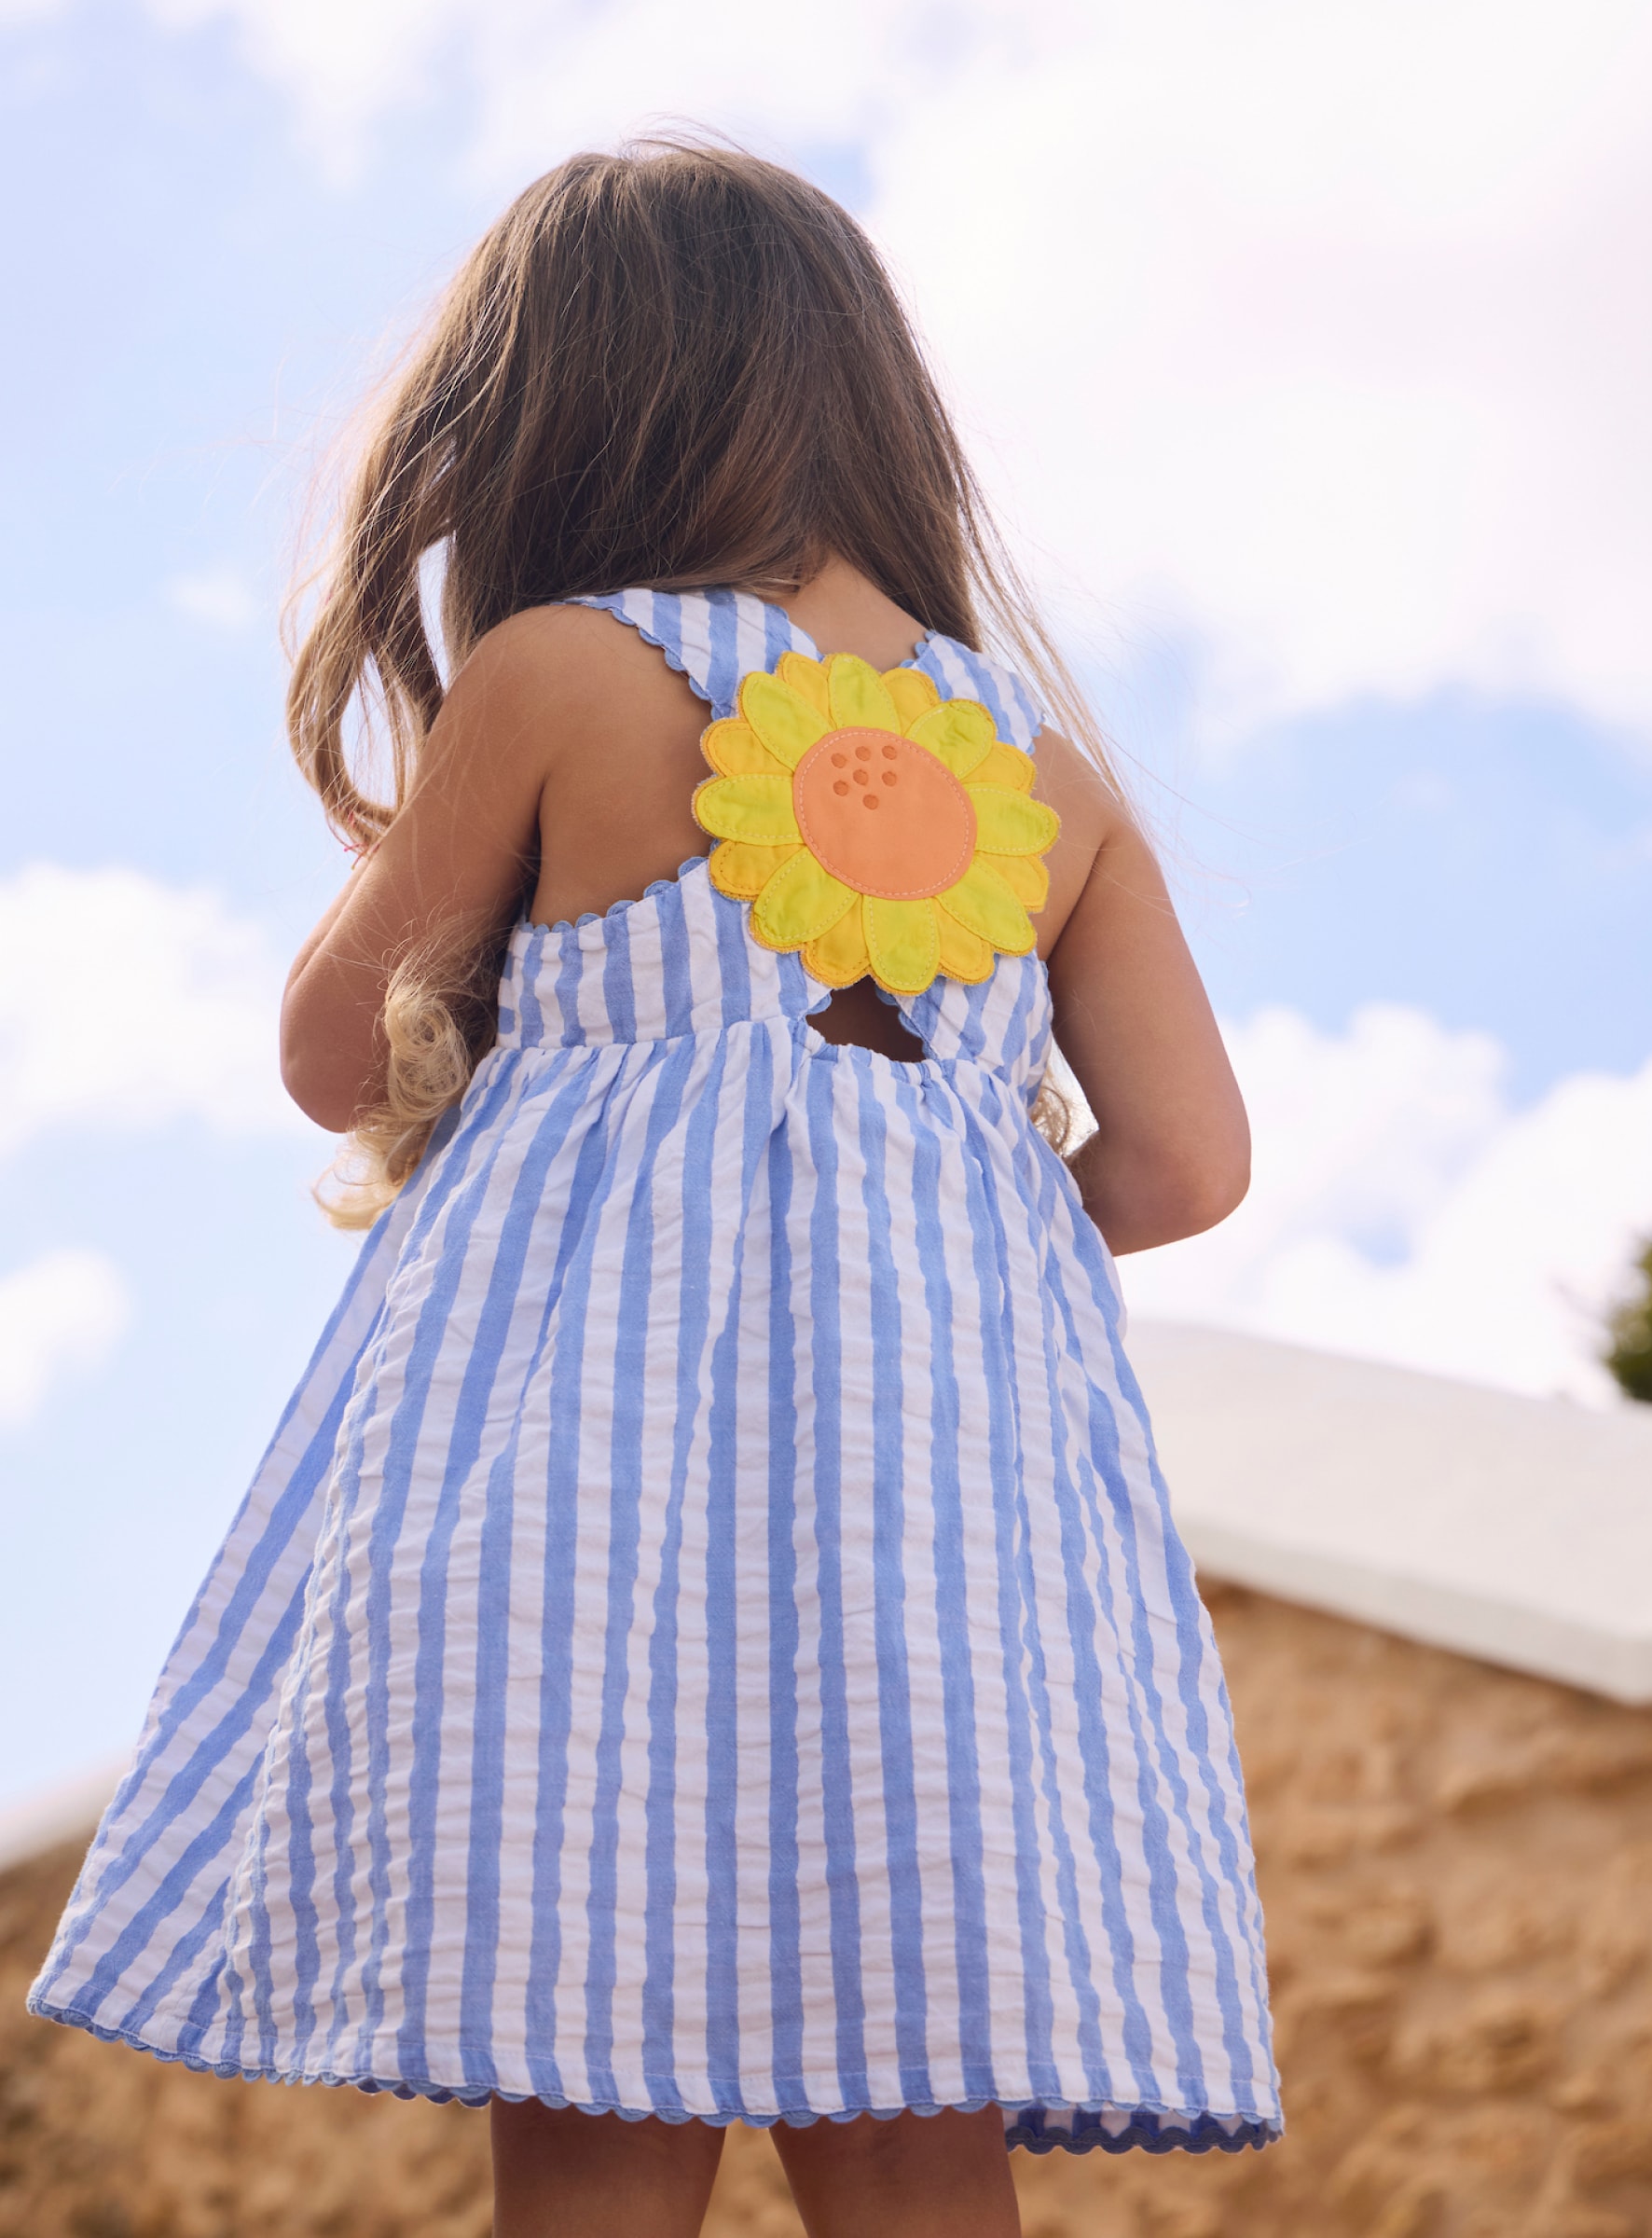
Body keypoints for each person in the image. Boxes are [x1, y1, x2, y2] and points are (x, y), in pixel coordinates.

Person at [29, 143, 1281, 2236]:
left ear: (553, 418)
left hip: (589, 1523)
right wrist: (941, 1215)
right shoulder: (1047, 774)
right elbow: (1186, 1160)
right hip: (943, 1529)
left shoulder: (564, 672)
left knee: (598, 2066)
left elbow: (335, 1053)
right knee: (915, 2099)